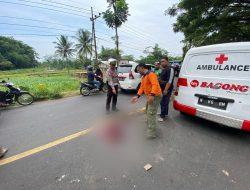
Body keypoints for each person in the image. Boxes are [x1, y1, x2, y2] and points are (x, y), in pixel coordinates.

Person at [131, 63, 162, 139]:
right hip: (150, 96)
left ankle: (151, 133)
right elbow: (142, 87)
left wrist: (152, 95)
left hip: (155, 96)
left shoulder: (151, 74)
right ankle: (150, 124)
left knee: (151, 113)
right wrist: (137, 96)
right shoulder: (144, 76)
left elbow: (155, 85)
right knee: (148, 110)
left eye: (138, 70)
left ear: (142, 68)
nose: (138, 71)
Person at [158, 56, 175, 122]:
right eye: (161, 61)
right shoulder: (164, 68)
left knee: (164, 102)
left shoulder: (170, 69)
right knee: (163, 102)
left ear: (167, 61)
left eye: (163, 61)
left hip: (167, 89)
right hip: (162, 88)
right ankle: (165, 113)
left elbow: (170, 81)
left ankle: (162, 116)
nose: (162, 63)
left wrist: (165, 89)